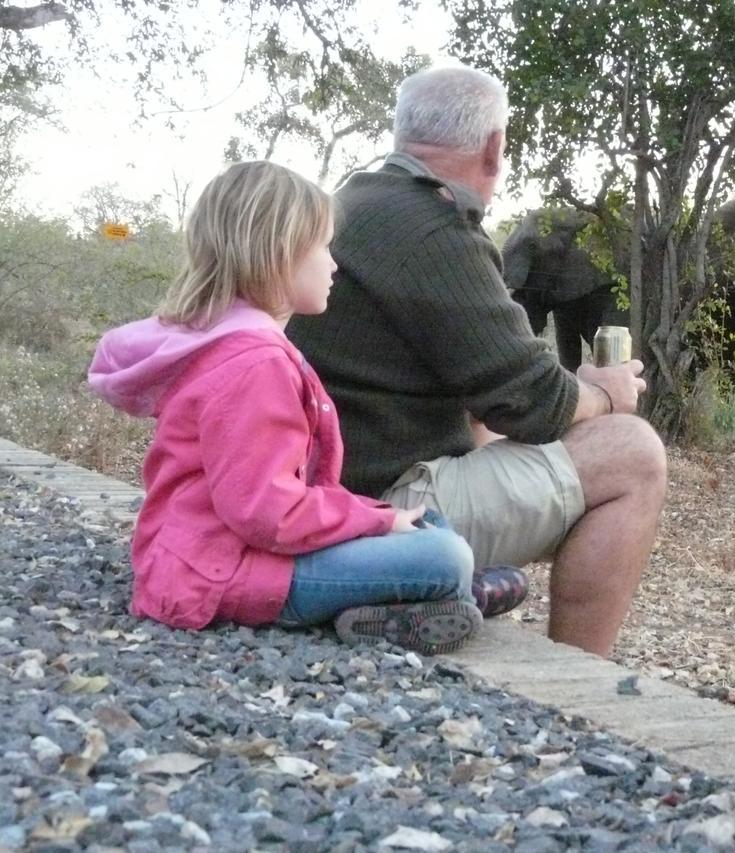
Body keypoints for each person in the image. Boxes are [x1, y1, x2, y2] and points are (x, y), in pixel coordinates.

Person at [286, 66, 667, 657]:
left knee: (484, 425)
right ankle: (582, 676)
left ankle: (425, 592)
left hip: (325, 489)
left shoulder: (355, 201)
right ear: (494, 148)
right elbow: (535, 401)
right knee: (634, 454)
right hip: (377, 505)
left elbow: (491, 392)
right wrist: (604, 393)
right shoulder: (432, 227)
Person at [88, 160, 496, 656]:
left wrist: (380, 514)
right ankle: (438, 592)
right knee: (444, 555)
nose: (334, 264)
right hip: (224, 574)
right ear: (278, 254)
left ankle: (432, 597)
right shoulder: (254, 364)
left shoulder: (227, 344)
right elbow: (268, 513)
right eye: (323, 247)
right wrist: (375, 521)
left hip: (212, 557)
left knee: (427, 523)